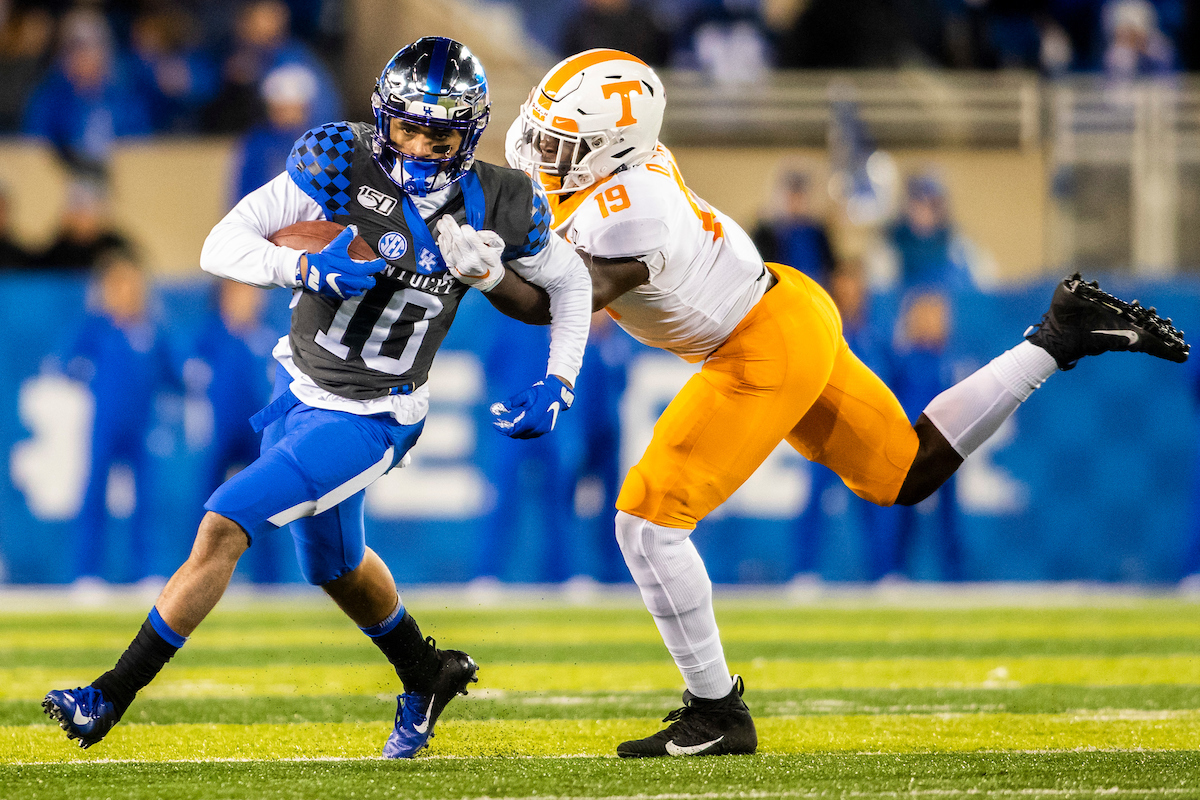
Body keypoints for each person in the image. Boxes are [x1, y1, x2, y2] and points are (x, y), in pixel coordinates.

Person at [505, 48, 1190, 758]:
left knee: (646, 525)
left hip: (756, 348)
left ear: (612, 148)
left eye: (559, 141)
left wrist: (476, 263)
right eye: (543, 130)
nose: (538, 148)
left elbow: (555, 296)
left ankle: (715, 712)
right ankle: (1055, 338)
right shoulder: (617, 171)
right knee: (903, 472)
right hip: (787, 305)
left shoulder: (630, 210)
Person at [43, 36, 592, 759]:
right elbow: (222, 244)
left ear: (472, 130)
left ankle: (107, 695)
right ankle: (425, 673)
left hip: (374, 414)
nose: (422, 144)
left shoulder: (499, 197)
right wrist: (300, 265)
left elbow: (571, 282)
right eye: (408, 126)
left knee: (224, 523)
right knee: (333, 565)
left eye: (440, 130)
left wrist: (560, 376)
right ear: (381, 117)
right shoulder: (341, 160)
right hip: (297, 385)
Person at [62, 249, 177, 584]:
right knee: (94, 494)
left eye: (131, 284)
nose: (125, 291)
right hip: (105, 427)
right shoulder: (95, 329)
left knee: (146, 501)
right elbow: (68, 363)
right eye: (117, 285)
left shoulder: (152, 330)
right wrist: (81, 372)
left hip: (142, 428)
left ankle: (145, 571)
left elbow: (172, 374)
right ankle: (87, 573)